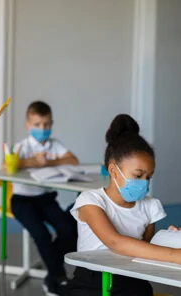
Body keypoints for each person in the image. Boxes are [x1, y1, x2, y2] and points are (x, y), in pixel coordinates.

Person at [68, 114, 181, 296]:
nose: (144, 182)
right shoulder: (90, 200)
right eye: (138, 175)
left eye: (148, 176)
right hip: (92, 283)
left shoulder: (151, 206)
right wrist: (174, 254)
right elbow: (114, 242)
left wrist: (169, 238)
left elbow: (145, 248)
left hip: (133, 280)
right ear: (113, 170)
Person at [5, 100, 79, 295]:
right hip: (22, 200)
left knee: (69, 228)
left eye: (46, 124)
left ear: (51, 124)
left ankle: (51, 274)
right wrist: (34, 162)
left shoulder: (55, 145)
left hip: (45, 199)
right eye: (37, 124)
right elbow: (7, 167)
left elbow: (73, 160)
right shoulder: (21, 146)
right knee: (42, 234)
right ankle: (58, 275)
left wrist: (50, 161)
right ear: (28, 125)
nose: (42, 128)